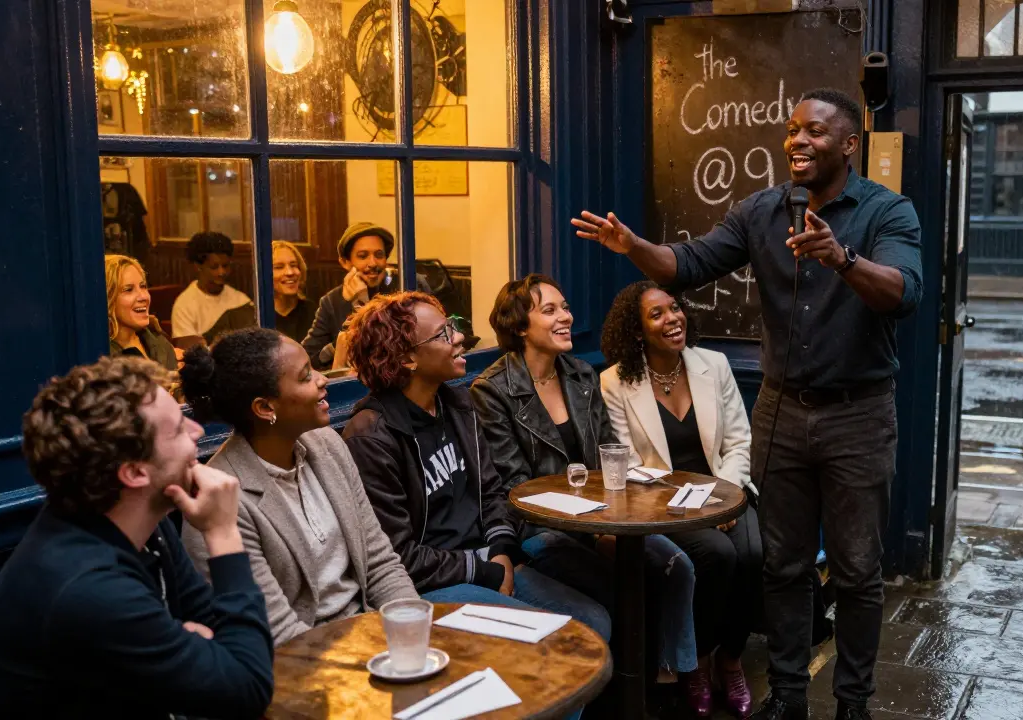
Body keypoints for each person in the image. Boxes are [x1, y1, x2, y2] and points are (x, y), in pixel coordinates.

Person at [573, 88, 923, 720]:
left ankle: (852, 704)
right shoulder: (761, 211)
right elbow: (684, 264)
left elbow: (903, 294)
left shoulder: (887, 212)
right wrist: (632, 247)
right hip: (783, 411)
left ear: (849, 144)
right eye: (791, 130)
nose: (796, 141)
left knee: (856, 570)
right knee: (783, 563)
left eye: (814, 132)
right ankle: (789, 697)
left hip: (858, 415)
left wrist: (841, 259)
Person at [0, 356, 273, 718]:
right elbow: (247, 687)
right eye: (179, 429)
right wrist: (223, 531)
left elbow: (223, 633)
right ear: (135, 472)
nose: (197, 431)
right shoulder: (85, 587)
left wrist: (201, 641)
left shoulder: (144, 521)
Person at [470, 274, 698, 690]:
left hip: (604, 516)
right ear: (520, 326)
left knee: (677, 566)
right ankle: (623, 694)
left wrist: (623, 510)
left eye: (566, 307)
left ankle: (670, 679)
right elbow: (516, 489)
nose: (566, 318)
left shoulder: (579, 374)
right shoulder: (492, 391)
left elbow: (611, 453)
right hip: (540, 531)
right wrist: (595, 535)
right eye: (550, 310)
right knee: (620, 588)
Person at [339, 292, 611, 639]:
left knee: (598, 611)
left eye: (452, 326)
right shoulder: (372, 436)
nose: (459, 338)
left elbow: (491, 490)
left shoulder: (457, 405)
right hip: (432, 582)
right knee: (562, 636)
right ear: (408, 358)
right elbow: (397, 555)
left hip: (489, 555)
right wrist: (481, 569)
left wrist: (500, 548)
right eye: (443, 335)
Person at [178, 328, 420, 645]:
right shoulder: (222, 499)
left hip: (374, 634)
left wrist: (414, 630)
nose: (322, 380)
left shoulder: (327, 445)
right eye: (305, 377)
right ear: (265, 408)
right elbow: (279, 634)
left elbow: (380, 564)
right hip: (305, 663)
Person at [599, 280, 763, 718]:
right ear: (637, 331)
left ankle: (730, 660)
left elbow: (739, 443)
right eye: (657, 315)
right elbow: (630, 464)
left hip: (725, 491)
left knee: (751, 554)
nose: (673, 319)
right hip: (664, 505)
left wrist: (721, 498)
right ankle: (696, 662)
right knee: (717, 556)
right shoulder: (615, 383)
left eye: (675, 309)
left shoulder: (714, 364)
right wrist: (693, 507)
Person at [302, 223, 401, 371]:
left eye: (379, 255)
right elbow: (309, 357)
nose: (372, 263)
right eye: (363, 256)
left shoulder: (403, 286)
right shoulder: (332, 301)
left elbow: (385, 346)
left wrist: (361, 303)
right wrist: (338, 346)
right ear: (345, 262)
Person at [171, 230, 252, 347]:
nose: (222, 272)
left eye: (225, 266)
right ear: (198, 266)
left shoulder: (240, 300)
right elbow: (186, 350)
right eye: (214, 267)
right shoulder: (184, 305)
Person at [105, 254, 179, 371]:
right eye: (128, 290)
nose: (143, 296)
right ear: (108, 298)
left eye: (143, 286)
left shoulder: (161, 343)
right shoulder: (100, 356)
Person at [271, 241, 318, 343]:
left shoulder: (316, 314)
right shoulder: (251, 317)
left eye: (293, 265)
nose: (290, 272)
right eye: (279, 267)